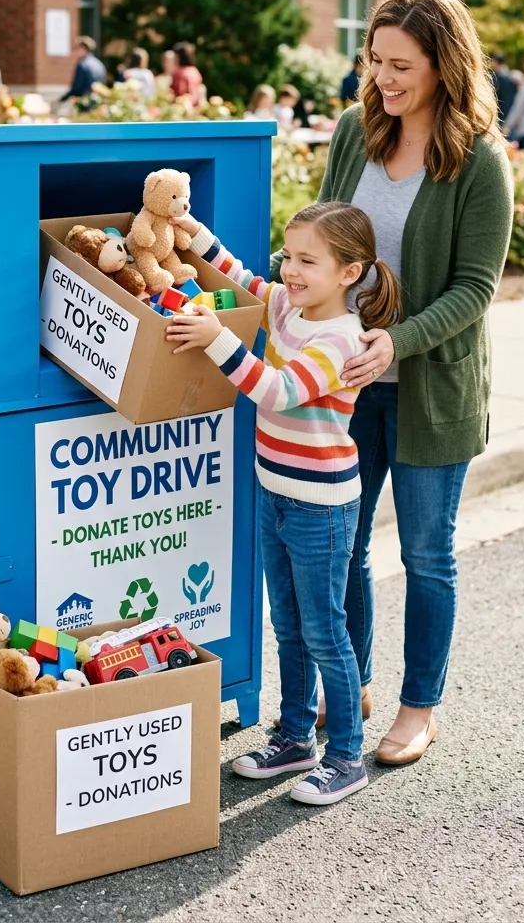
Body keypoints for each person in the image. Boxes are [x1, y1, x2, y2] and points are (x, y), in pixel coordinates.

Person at [270, 0, 513, 765]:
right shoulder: (354, 131)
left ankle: (419, 706)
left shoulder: (480, 160)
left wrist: (397, 342)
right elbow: (323, 239)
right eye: (374, 60)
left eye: (401, 64)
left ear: (445, 64)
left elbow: (475, 288)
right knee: (339, 546)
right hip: (343, 386)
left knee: (425, 556)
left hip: (429, 388)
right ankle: (356, 682)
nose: (383, 78)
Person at [166, 202, 402, 805]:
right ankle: (296, 738)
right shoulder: (288, 306)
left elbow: (276, 394)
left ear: (350, 273)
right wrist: (193, 233)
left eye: (308, 261)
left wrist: (219, 340)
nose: (291, 271)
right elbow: (244, 278)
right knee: (288, 626)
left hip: (321, 506)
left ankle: (346, 755)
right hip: (276, 490)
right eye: (288, 257)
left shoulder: (339, 339)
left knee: (326, 633)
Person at [60, 36, 107, 105]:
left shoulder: (83, 64)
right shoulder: (99, 64)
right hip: (98, 101)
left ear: (83, 49)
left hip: (85, 102)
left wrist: (63, 99)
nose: (76, 51)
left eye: (77, 49)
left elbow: (77, 87)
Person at [170, 41, 203, 107]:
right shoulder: (194, 71)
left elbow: (178, 91)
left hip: (182, 105)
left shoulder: (180, 72)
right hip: (196, 106)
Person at [490, 53, 518, 129]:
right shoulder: (508, 77)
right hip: (505, 114)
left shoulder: (501, 78)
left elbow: (505, 99)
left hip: (501, 116)